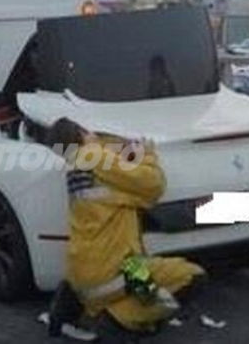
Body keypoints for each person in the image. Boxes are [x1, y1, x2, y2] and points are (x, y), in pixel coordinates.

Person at [51, 117, 206, 340]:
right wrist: (148, 154)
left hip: (82, 275)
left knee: (146, 291)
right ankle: (117, 322)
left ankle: (65, 314)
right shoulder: (96, 157)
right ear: (83, 133)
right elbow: (154, 184)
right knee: (191, 278)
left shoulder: (75, 168)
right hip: (122, 270)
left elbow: (120, 190)